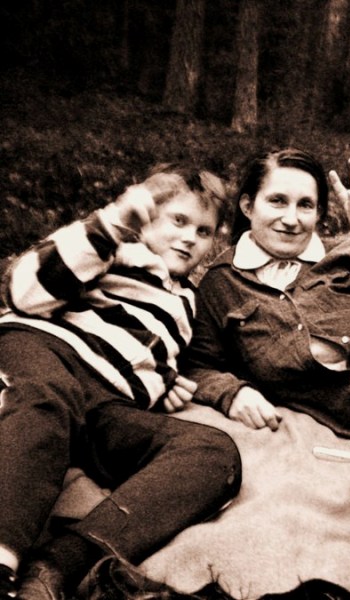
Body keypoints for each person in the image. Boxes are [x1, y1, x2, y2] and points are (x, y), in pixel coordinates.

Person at [0, 165, 242, 600]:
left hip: (105, 406)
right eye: (178, 221)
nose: (190, 238)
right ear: (146, 217)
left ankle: (58, 566)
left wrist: (163, 379)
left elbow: (157, 351)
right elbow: (24, 291)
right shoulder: (114, 249)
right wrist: (111, 224)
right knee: (45, 399)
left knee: (214, 452)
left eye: (204, 231)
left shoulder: (188, 299)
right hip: (47, 352)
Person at [182, 148, 350, 445]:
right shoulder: (221, 284)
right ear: (248, 206)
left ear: (319, 213)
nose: (291, 219)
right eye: (277, 201)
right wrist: (233, 393)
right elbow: (197, 365)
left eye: (305, 205)